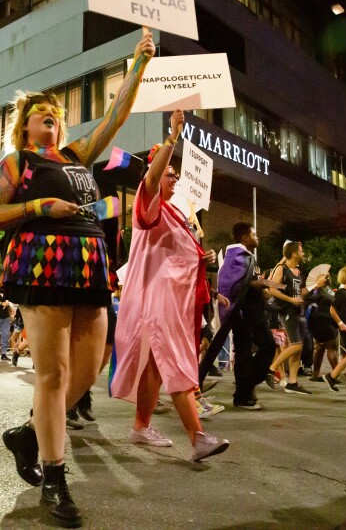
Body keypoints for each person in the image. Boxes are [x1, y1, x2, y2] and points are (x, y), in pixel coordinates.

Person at [0, 29, 155, 528]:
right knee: (52, 375)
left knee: (95, 361)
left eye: (56, 115)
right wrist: (41, 207)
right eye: (42, 116)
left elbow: (115, 116)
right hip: (43, 261)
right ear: (26, 128)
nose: (52, 120)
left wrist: (138, 64)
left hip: (89, 264)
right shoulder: (18, 162)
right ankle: (55, 479)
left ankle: (30, 434)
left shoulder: (79, 155)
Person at [111, 109, 229, 460]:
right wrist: (173, 136)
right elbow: (151, 181)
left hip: (175, 301)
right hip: (159, 301)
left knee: (156, 368)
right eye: (170, 174)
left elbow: (180, 252)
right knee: (177, 362)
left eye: (177, 174)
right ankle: (198, 438)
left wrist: (203, 258)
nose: (175, 179)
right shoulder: (148, 204)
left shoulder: (176, 212)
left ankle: (140, 427)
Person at [200, 222, 274, 410]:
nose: (257, 237)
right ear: (245, 238)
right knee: (245, 352)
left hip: (254, 312)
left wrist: (260, 288)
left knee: (265, 347)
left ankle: (245, 387)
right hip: (242, 313)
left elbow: (244, 283)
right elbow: (231, 286)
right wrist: (254, 285)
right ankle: (243, 394)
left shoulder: (247, 257)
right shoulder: (235, 256)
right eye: (254, 234)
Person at [266, 241, 311, 394]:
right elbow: (272, 289)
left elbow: (301, 293)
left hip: (298, 311)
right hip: (287, 310)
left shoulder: (298, 271)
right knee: (296, 345)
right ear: (293, 253)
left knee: (298, 349)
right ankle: (271, 370)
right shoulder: (282, 269)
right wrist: (291, 300)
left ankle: (292, 382)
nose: (303, 252)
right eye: (301, 250)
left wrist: (316, 285)